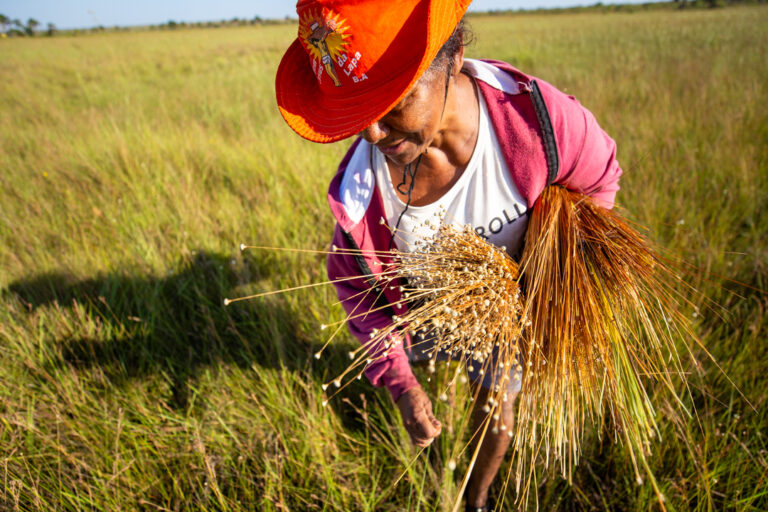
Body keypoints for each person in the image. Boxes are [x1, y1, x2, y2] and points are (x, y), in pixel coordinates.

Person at [275, 1, 622, 510]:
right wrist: (401, 386)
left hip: (512, 315)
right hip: (422, 316)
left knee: (499, 400)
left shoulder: (540, 124)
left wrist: (554, 279)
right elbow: (360, 298)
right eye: (358, 111)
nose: (371, 133)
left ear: (453, 54)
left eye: (393, 100)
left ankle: (475, 499)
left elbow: (600, 182)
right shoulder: (362, 194)